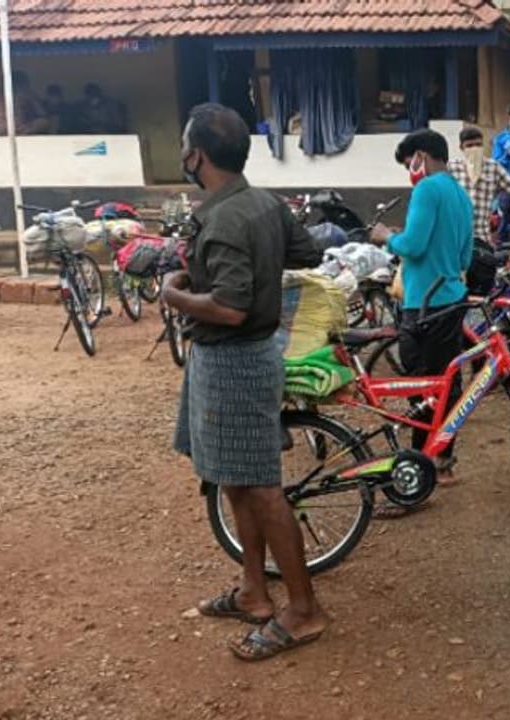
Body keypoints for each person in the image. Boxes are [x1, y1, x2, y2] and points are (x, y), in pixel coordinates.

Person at [164, 102, 327, 661]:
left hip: (235, 358)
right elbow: (307, 251)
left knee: (259, 486)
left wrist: (175, 293)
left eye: (186, 144)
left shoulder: (228, 216)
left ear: (197, 155)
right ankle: (255, 592)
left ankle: (303, 610)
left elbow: (230, 308)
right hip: (244, 356)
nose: (184, 153)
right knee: (234, 478)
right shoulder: (262, 203)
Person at [370, 129, 473, 512]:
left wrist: (386, 237)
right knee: (448, 383)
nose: (409, 173)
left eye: (409, 163)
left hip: (424, 303)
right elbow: (464, 259)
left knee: (422, 387)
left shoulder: (428, 190)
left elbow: (412, 245)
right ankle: (443, 463)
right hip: (452, 299)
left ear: (421, 157)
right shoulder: (460, 194)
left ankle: (418, 473)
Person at [447, 126, 510, 243]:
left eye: (478, 145)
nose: (474, 149)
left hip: (482, 238)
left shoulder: (493, 167)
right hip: (455, 239)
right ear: (461, 148)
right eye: (469, 146)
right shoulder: (451, 168)